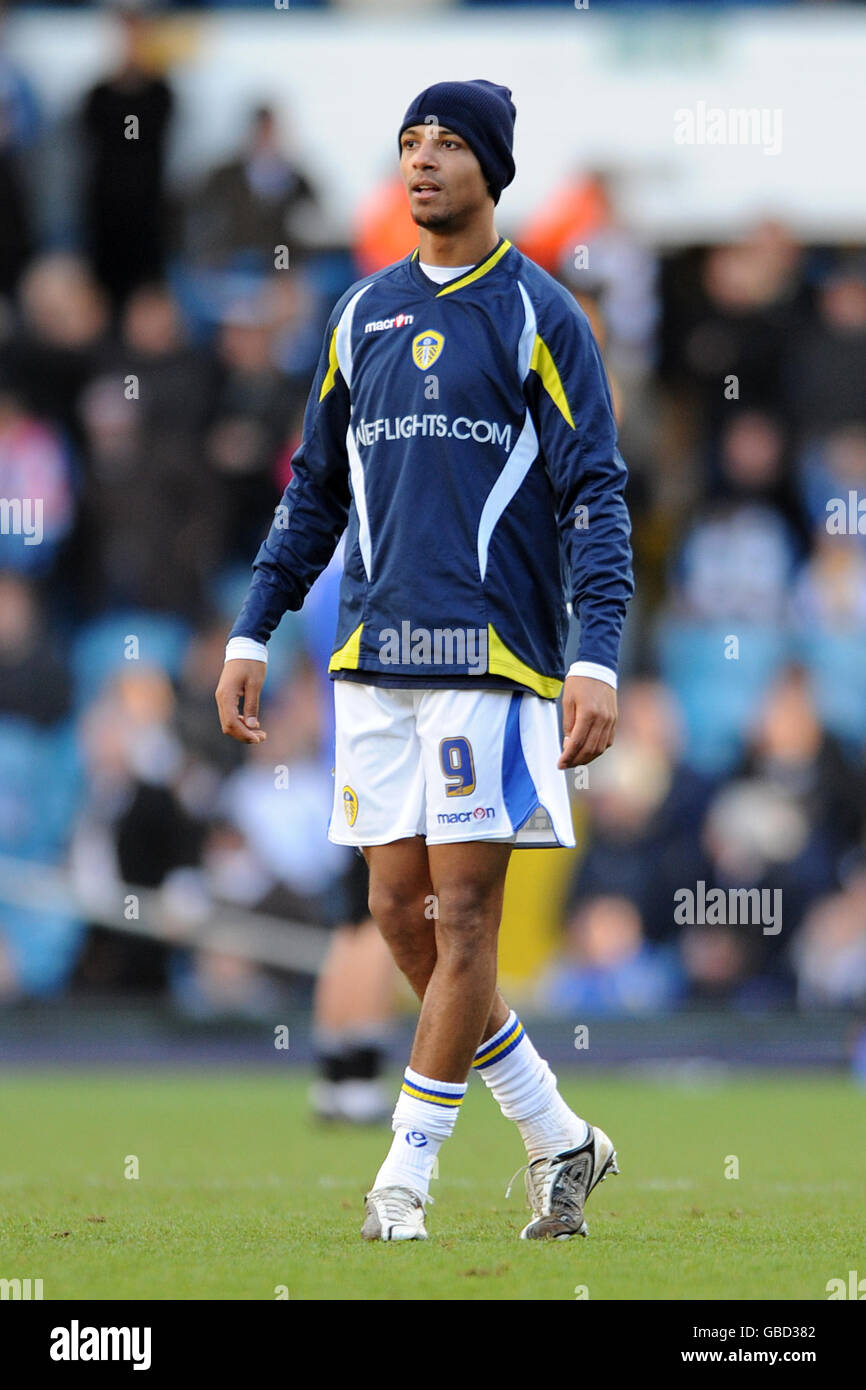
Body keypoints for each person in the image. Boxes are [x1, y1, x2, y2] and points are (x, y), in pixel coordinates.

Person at [216, 80, 633, 1242]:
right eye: (409, 141)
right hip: (371, 657)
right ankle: (558, 1135)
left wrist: (594, 657)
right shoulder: (360, 316)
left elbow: (595, 495)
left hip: (487, 658)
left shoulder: (542, 316)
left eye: (448, 142)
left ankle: (402, 1176)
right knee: (396, 913)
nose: (423, 159)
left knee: (461, 921)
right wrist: (253, 627)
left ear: (491, 169)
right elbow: (311, 490)